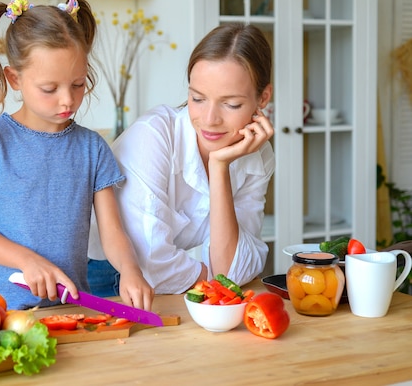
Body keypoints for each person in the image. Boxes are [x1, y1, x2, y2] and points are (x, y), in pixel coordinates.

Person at [0, 0, 154, 311]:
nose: (67, 100)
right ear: (14, 78)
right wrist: (27, 261)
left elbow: (112, 231)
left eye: (77, 84)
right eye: (50, 89)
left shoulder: (92, 148)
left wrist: (130, 269)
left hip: (70, 308)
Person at [88, 23, 275, 295]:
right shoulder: (153, 137)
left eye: (231, 104)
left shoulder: (257, 155)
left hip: (176, 282)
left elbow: (233, 269)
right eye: (197, 98)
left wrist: (219, 167)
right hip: (103, 276)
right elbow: (153, 263)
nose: (210, 120)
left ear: (263, 97)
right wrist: (215, 278)